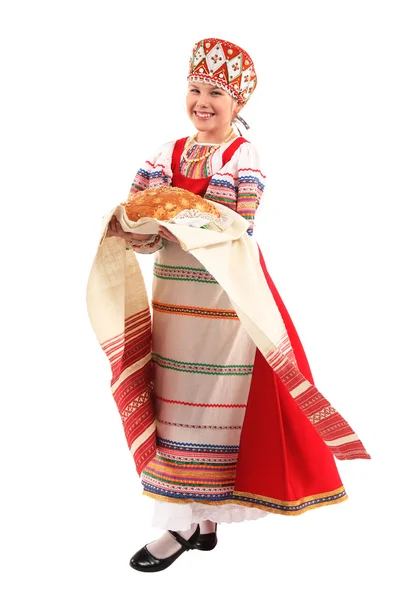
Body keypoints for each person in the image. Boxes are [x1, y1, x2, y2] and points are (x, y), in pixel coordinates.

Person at [104, 37, 369, 573]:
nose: (202, 101)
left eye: (216, 93)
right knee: (174, 391)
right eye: (195, 88)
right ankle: (199, 523)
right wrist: (141, 224)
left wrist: (172, 212)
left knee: (209, 397)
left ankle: (181, 523)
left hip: (224, 297)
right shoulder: (167, 151)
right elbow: (144, 219)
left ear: (239, 102)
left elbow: (235, 222)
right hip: (175, 295)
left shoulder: (240, 155)